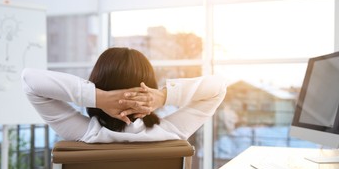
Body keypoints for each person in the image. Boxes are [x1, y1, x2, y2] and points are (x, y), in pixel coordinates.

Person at [21, 47, 227, 143]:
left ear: (97, 83)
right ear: (150, 87)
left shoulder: (87, 134)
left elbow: (30, 81)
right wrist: (164, 97)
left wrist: (99, 98)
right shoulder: (171, 133)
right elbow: (218, 87)